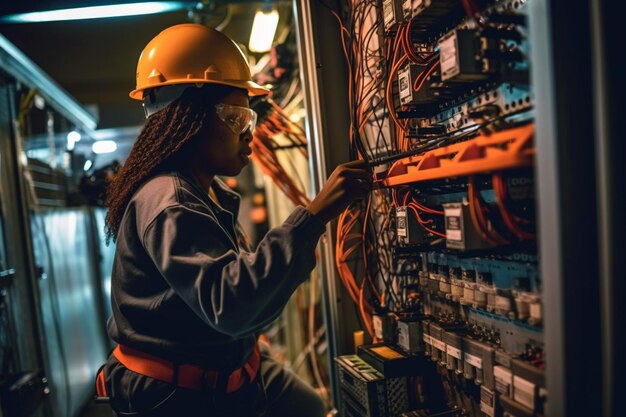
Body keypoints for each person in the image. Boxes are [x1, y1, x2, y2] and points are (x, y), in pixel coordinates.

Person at [95, 23, 371, 417]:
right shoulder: (170, 201)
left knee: (308, 406)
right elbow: (232, 304)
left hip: (223, 368)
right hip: (177, 396)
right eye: (235, 118)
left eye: (249, 120)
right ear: (188, 118)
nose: (249, 135)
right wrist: (313, 217)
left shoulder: (204, 191)